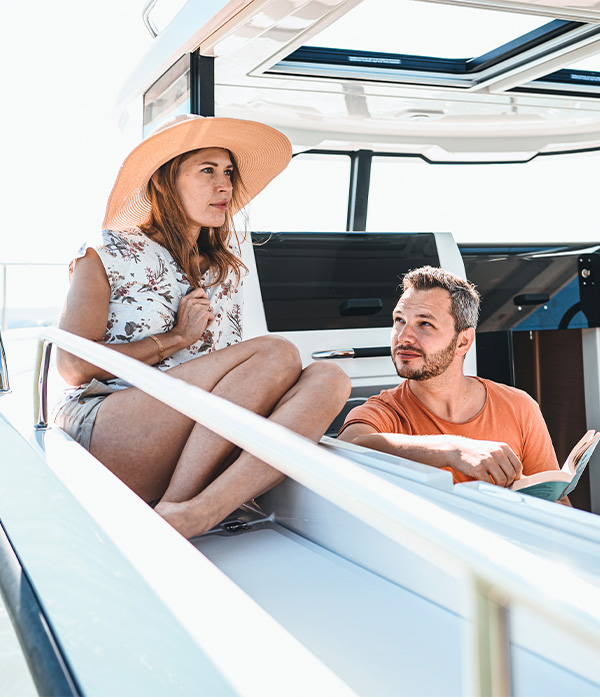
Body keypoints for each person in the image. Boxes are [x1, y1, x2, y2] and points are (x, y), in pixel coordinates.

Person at [55, 114, 351, 538]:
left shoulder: (224, 269)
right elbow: (72, 365)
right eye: (207, 171)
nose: (225, 186)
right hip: (111, 429)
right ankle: (176, 506)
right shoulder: (106, 252)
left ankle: (199, 511)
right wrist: (174, 338)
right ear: (165, 181)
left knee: (330, 378)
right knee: (277, 353)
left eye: (228, 172)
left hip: (190, 436)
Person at [338, 265, 561, 489]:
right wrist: (452, 449)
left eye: (424, 324)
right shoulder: (385, 412)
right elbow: (347, 446)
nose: (404, 337)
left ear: (462, 342)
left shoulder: (518, 407)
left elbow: (557, 504)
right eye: (399, 320)